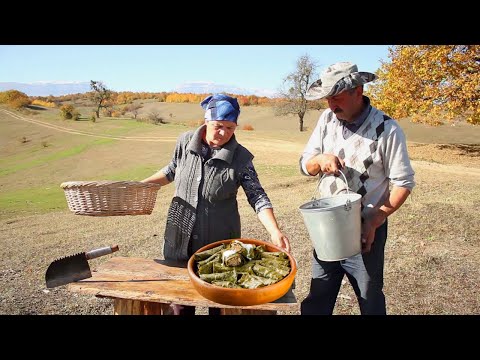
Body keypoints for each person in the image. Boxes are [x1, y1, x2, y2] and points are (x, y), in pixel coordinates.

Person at [142, 93, 291, 315]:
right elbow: (171, 170)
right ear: (206, 121)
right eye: (219, 126)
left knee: (221, 307)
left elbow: (257, 196)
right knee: (179, 305)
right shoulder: (184, 142)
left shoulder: (241, 158)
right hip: (180, 242)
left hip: (220, 250)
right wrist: (140, 185)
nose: (224, 133)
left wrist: (275, 231)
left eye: (231, 128)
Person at [299, 62, 415, 315]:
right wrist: (319, 161)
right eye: (327, 99)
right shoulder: (327, 119)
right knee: (318, 297)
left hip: (365, 230)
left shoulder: (387, 129)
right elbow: (305, 164)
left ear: (358, 90)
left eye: (337, 98)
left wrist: (376, 219)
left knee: (369, 297)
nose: (331, 105)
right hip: (326, 227)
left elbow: (403, 182)